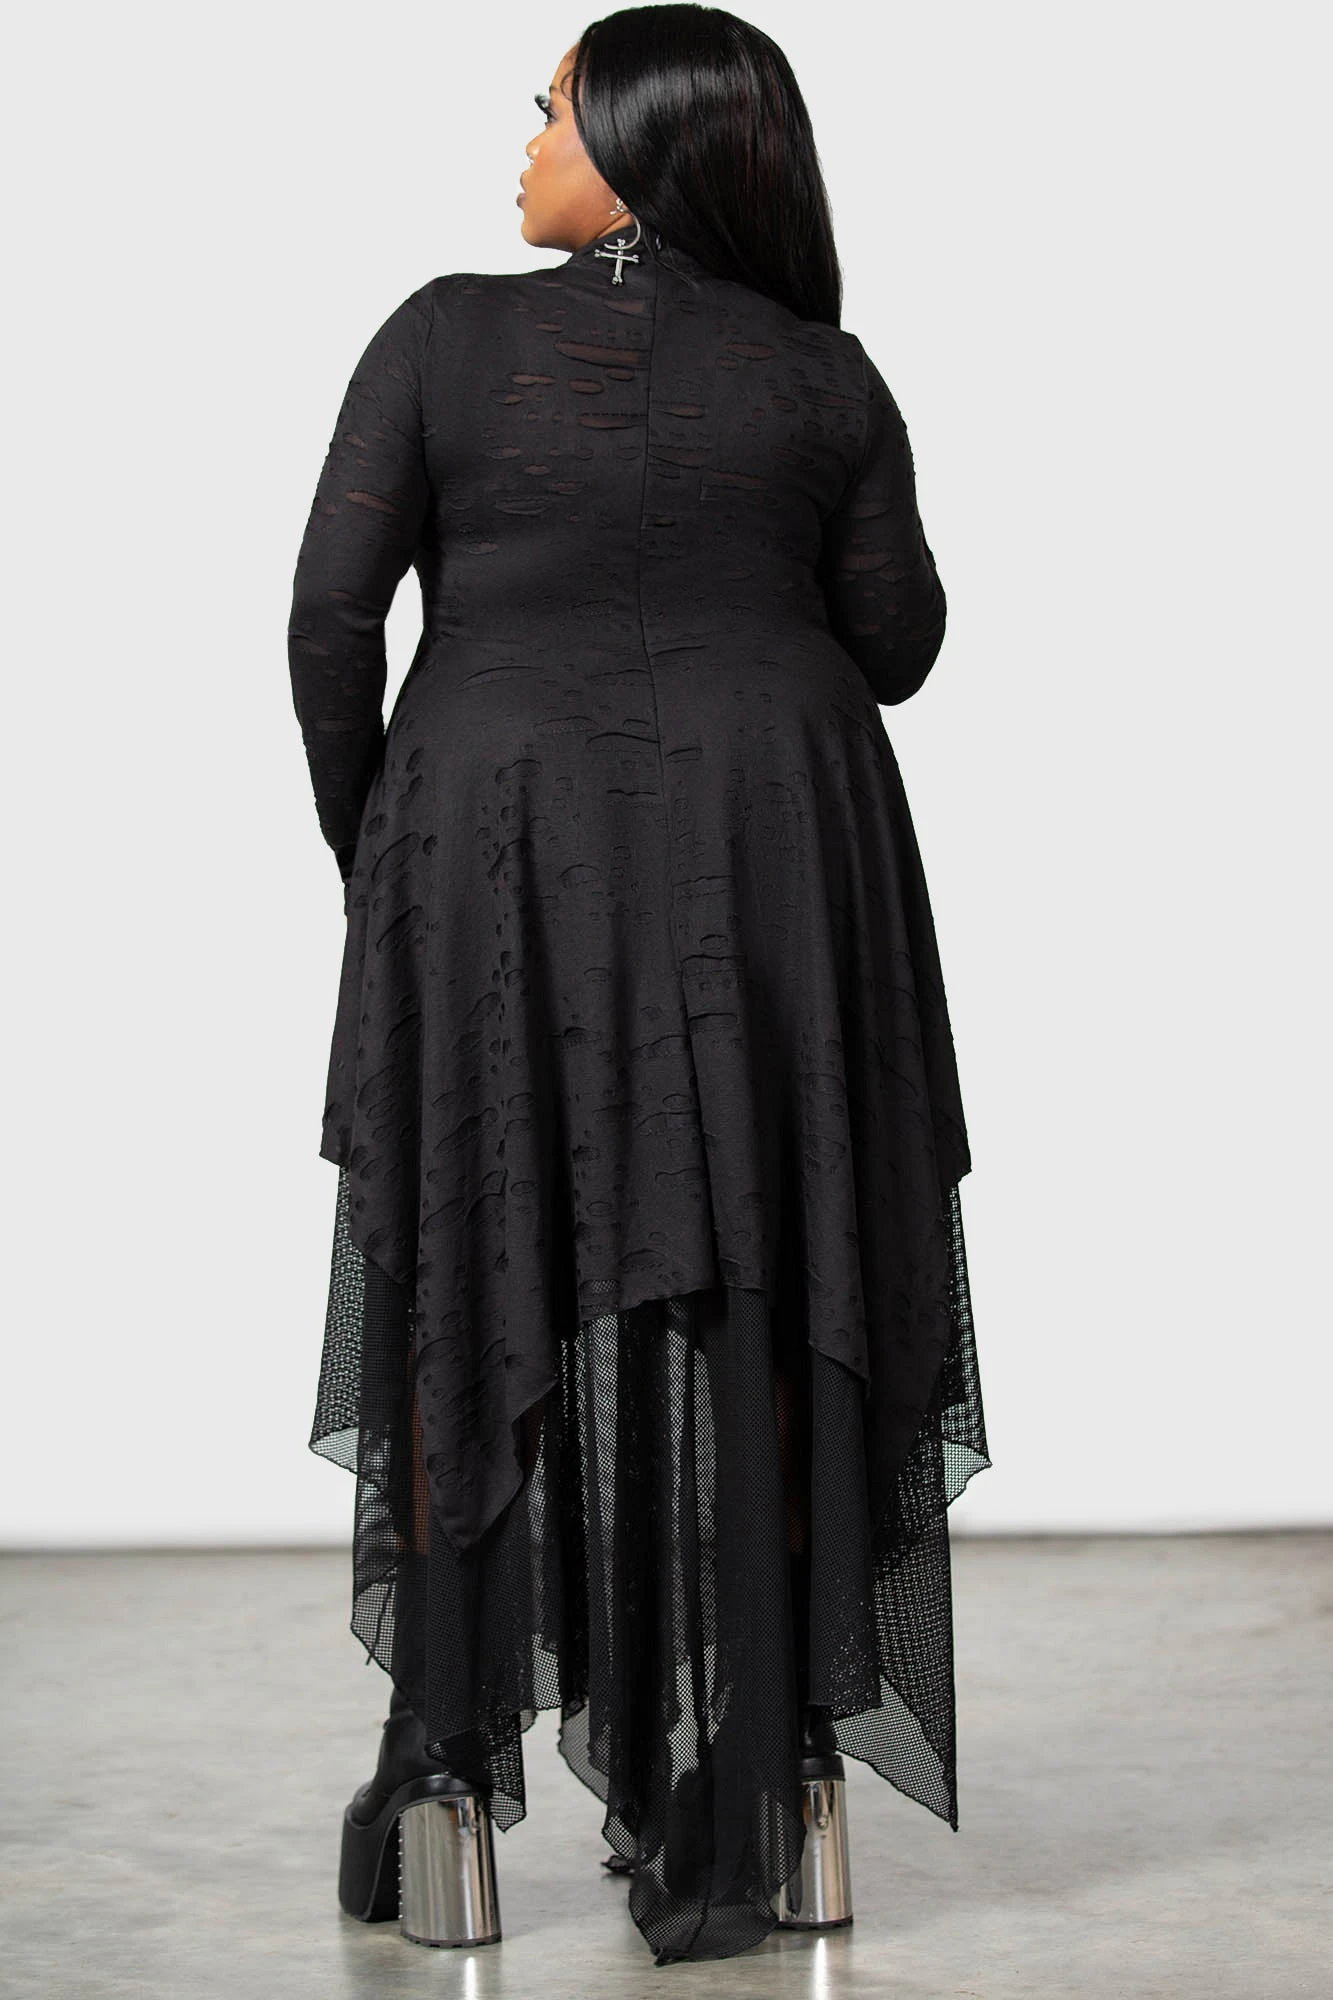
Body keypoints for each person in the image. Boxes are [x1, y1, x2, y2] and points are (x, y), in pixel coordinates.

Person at [286, 2, 991, 1969]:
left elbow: (332, 618)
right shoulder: (826, 374)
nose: (524, 139)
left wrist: (384, 856)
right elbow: (899, 641)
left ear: (652, 144)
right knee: (770, 1263)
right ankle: (788, 1792)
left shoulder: (442, 339)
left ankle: (449, 1794)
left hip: (496, 841)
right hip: (771, 855)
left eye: (555, 110)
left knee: (474, 1260)